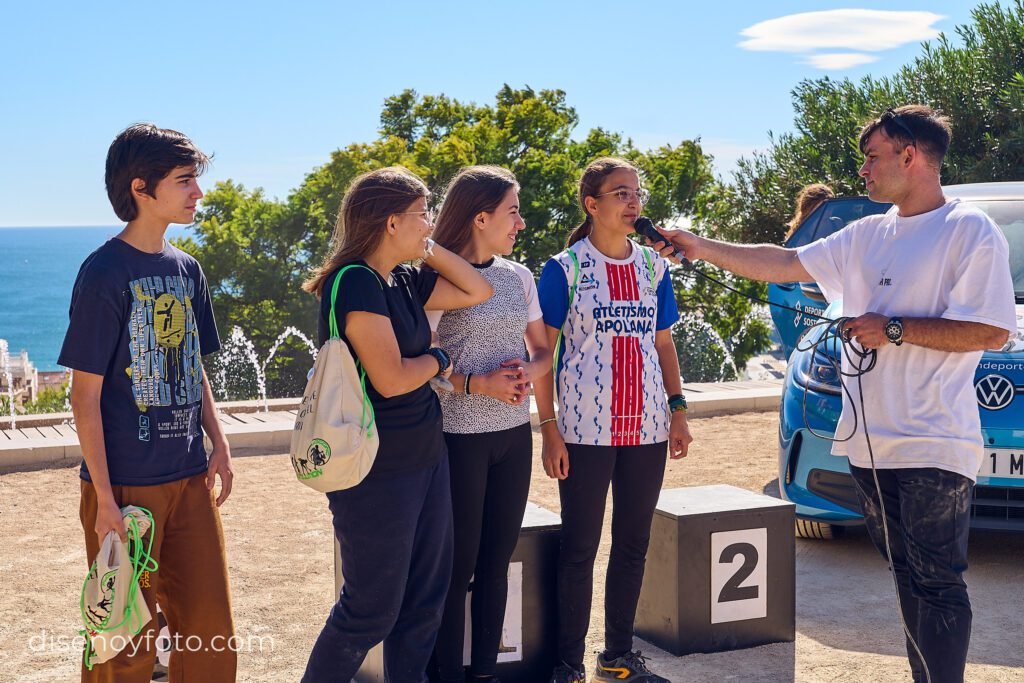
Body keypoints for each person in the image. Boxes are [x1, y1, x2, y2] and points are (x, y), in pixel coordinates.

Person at [650, 105, 1015, 683]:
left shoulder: (968, 230)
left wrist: (892, 328)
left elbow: (992, 329)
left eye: (872, 157)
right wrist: (699, 245)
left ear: (910, 156)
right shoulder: (868, 232)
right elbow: (788, 263)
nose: (863, 171)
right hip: (870, 445)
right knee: (904, 575)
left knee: (938, 580)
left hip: (935, 441)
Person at [301, 166, 492, 683]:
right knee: (370, 610)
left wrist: (425, 246)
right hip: (375, 467)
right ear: (390, 222)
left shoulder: (402, 278)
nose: (429, 222)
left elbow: (478, 289)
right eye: (421, 213)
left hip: (425, 457)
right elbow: (390, 378)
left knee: (425, 603)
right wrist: (439, 359)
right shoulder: (355, 281)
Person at [61, 123, 236, 682]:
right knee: (123, 643)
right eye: (185, 181)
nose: (198, 193)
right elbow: (83, 395)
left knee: (210, 633)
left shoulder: (187, 269)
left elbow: (194, 365)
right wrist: (106, 501)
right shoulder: (104, 272)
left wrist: (220, 444)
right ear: (142, 188)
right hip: (125, 490)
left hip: (189, 477)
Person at [533, 157, 693, 683]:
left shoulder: (655, 266)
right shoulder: (564, 269)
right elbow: (544, 354)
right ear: (592, 204)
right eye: (621, 193)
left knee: (633, 544)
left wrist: (678, 410)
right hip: (583, 430)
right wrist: (548, 427)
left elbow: (663, 343)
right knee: (579, 549)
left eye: (637, 194)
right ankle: (566, 665)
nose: (633, 203)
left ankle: (617, 656)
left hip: (647, 428)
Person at [425, 166, 552, 683]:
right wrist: (478, 384)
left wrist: (526, 373)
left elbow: (544, 350)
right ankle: (446, 676)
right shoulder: (435, 282)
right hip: (456, 441)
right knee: (456, 572)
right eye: (513, 211)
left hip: (513, 439)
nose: (520, 222)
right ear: (481, 217)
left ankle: (483, 675)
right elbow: (421, 368)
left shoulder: (518, 276)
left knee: (497, 563)